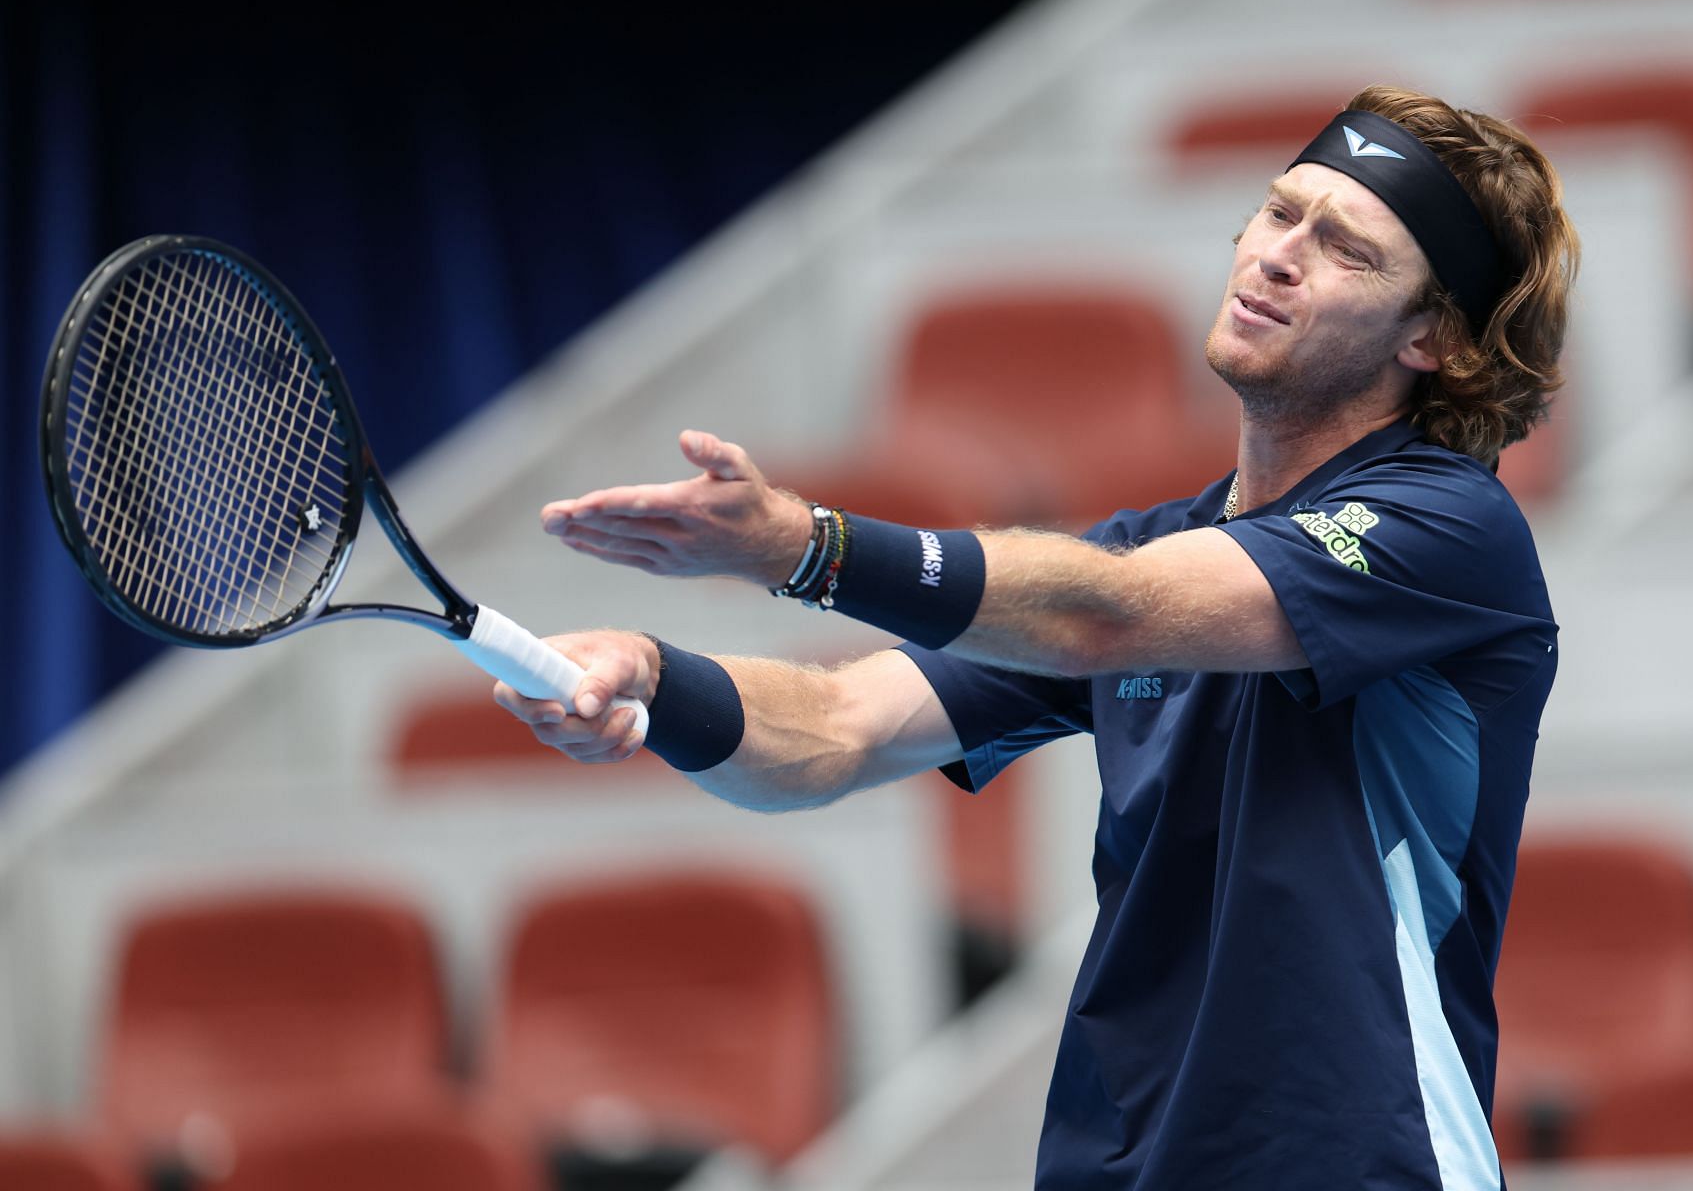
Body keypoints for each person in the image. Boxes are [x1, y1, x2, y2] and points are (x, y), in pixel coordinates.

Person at [493, 84, 1577, 1190]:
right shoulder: (1151, 549)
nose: (1278, 254)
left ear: (1435, 336)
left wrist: (801, 545)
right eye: (1279, 210)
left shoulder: (1450, 529)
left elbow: (1106, 614)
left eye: (1345, 246)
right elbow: (837, 727)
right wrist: (651, 676)